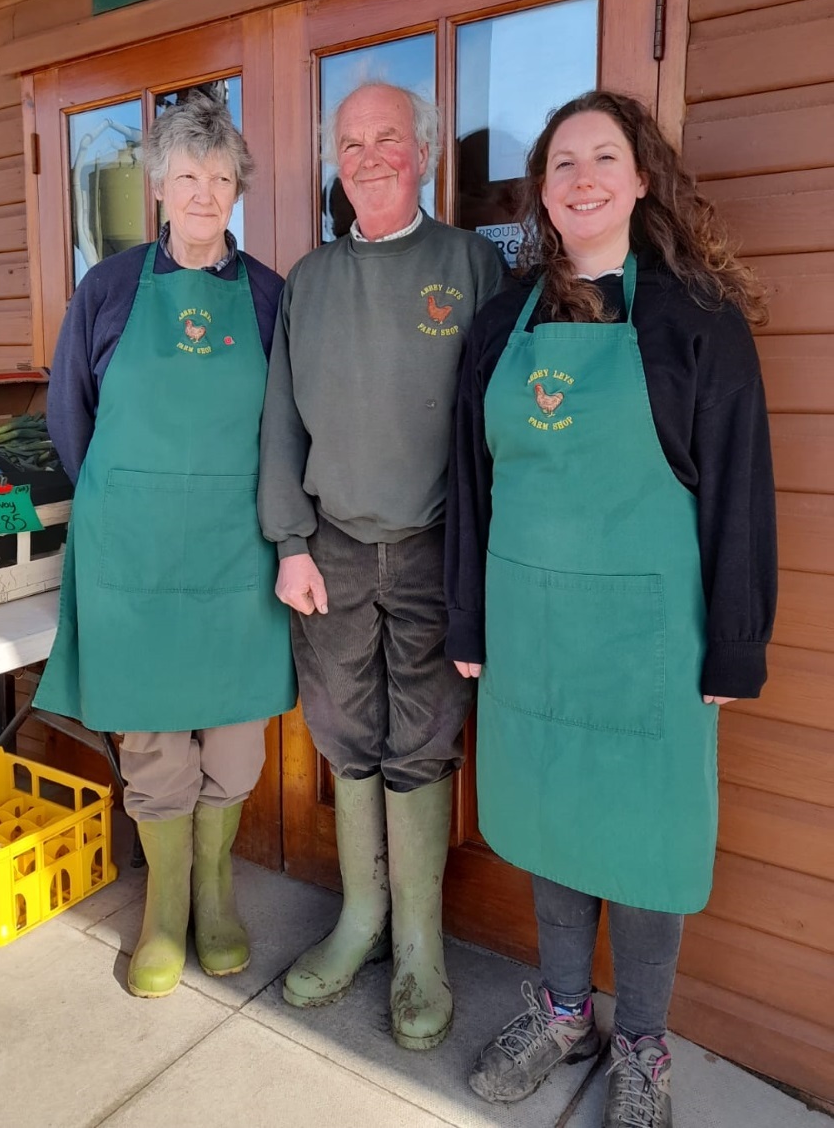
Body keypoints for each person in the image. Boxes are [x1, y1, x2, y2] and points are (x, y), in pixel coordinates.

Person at [446, 90, 776, 1125]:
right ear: (543, 194)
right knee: (551, 823)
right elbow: (468, 483)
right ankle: (560, 1012)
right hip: (530, 631)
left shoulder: (696, 320)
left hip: (651, 642)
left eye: (604, 158)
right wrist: (467, 623)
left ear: (641, 179)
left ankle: (641, 1044)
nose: (582, 178)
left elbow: (739, 490)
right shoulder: (503, 322)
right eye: (562, 165)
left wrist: (734, 647)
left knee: (643, 839)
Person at [258, 81, 505, 1049]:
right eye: (350, 143)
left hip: (438, 549)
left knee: (427, 736)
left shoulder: (472, 265)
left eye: (387, 139)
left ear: (426, 151)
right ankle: (361, 919)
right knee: (344, 730)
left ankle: (420, 948)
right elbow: (279, 421)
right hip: (335, 553)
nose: (367, 158)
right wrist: (288, 543)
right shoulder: (308, 282)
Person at [37, 93, 295, 998]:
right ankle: (164, 905)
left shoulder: (267, 294)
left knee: (232, 740)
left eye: (220, 178)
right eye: (187, 175)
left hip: (236, 551)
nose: (203, 192)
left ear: (236, 192)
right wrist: (128, 499)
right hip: (133, 553)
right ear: (157, 188)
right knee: (150, 741)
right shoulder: (106, 290)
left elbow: (286, 428)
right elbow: (70, 417)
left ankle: (215, 892)